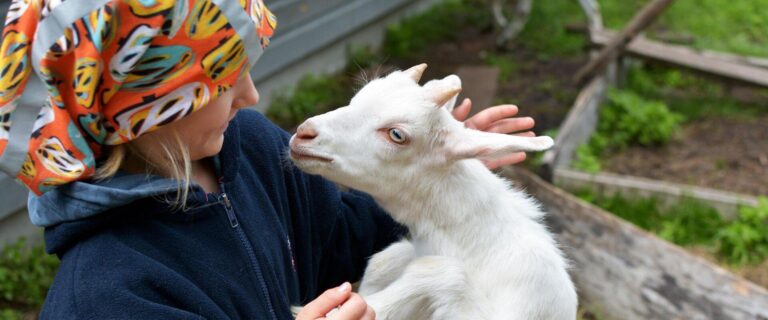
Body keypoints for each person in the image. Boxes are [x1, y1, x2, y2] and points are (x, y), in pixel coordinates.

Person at [0, 0, 538, 319]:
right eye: (222, 81)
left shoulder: (249, 144)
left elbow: (343, 242)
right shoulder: (109, 294)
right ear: (145, 111)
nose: (252, 95)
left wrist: (423, 176)